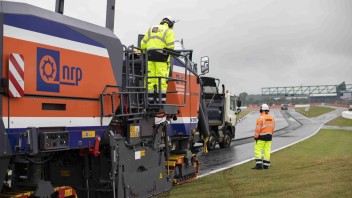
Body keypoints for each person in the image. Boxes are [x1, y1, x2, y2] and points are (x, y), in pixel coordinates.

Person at [140, 16, 176, 100]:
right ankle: (161, 101)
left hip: (149, 57)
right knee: (161, 79)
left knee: (150, 79)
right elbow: (170, 47)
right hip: (162, 59)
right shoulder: (169, 31)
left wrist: (147, 52)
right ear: (170, 23)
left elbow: (142, 45)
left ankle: (150, 100)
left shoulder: (150, 29)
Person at [253, 104, 275, 170]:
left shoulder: (260, 118)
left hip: (261, 137)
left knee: (258, 150)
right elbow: (273, 127)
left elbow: (258, 129)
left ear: (262, 110)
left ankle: (259, 165)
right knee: (267, 150)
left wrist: (256, 136)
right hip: (269, 137)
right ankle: (266, 165)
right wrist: (271, 134)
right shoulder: (272, 118)